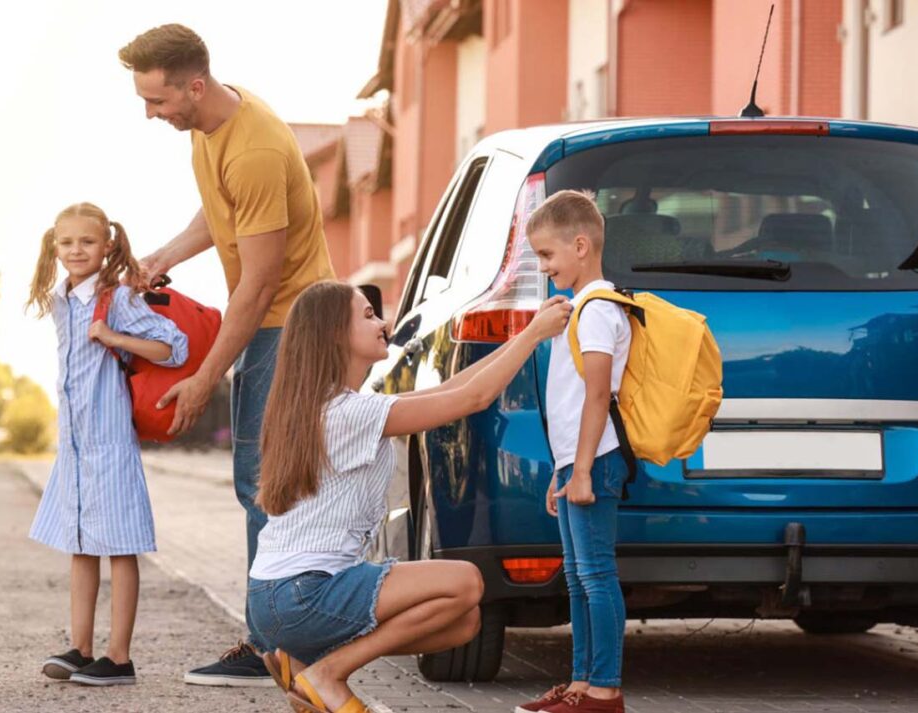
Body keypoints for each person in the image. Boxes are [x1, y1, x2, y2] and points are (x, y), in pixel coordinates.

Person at [117, 23, 335, 685]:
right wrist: (161, 255)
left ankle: (274, 646)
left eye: (157, 101)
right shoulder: (215, 129)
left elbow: (259, 283)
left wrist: (207, 378)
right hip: (272, 320)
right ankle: (278, 637)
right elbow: (220, 215)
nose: (151, 115)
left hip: (291, 324)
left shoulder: (257, 149)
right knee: (268, 483)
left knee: (269, 484)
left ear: (195, 84)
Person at [246, 281, 573, 712]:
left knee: (463, 621)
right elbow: (474, 398)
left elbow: (456, 387)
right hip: (302, 594)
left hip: (276, 598)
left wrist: (524, 332)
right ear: (334, 336)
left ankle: (310, 662)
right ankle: (327, 674)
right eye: (367, 316)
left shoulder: (334, 407)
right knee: (466, 582)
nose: (383, 323)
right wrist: (534, 334)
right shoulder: (350, 414)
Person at [26, 202, 189, 686]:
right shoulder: (60, 299)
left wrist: (113, 336)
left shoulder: (114, 299)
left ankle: (119, 657)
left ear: (107, 246)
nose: (77, 250)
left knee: (120, 548)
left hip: (111, 444)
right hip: (74, 446)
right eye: (67, 242)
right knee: (80, 546)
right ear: (55, 247)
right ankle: (80, 648)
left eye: (87, 242)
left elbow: (172, 345)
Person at [515, 190, 631, 713]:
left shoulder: (600, 309)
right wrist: (561, 471)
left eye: (547, 255)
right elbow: (568, 401)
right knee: (579, 576)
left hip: (596, 460)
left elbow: (597, 395)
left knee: (597, 574)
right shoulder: (578, 309)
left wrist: (582, 470)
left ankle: (603, 689)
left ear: (580, 245)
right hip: (577, 462)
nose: (543, 267)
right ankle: (580, 686)